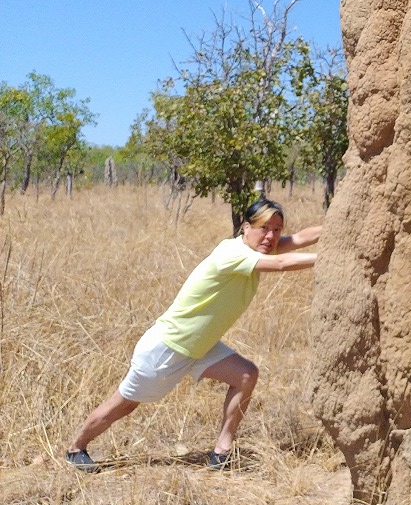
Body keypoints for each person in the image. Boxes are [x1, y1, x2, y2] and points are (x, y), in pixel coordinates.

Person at [66, 198, 321, 471]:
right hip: (168, 346)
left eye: (277, 229)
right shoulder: (233, 253)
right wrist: (332, 256)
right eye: (264, 228)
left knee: (246, 374)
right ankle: (75, 448)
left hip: (201, 346)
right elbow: (282, 263)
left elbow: (300, 238)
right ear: (246, 227)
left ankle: (222, 451)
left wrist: (342, 225)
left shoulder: (258, 247)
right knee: (125, 404)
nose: (271, 236)